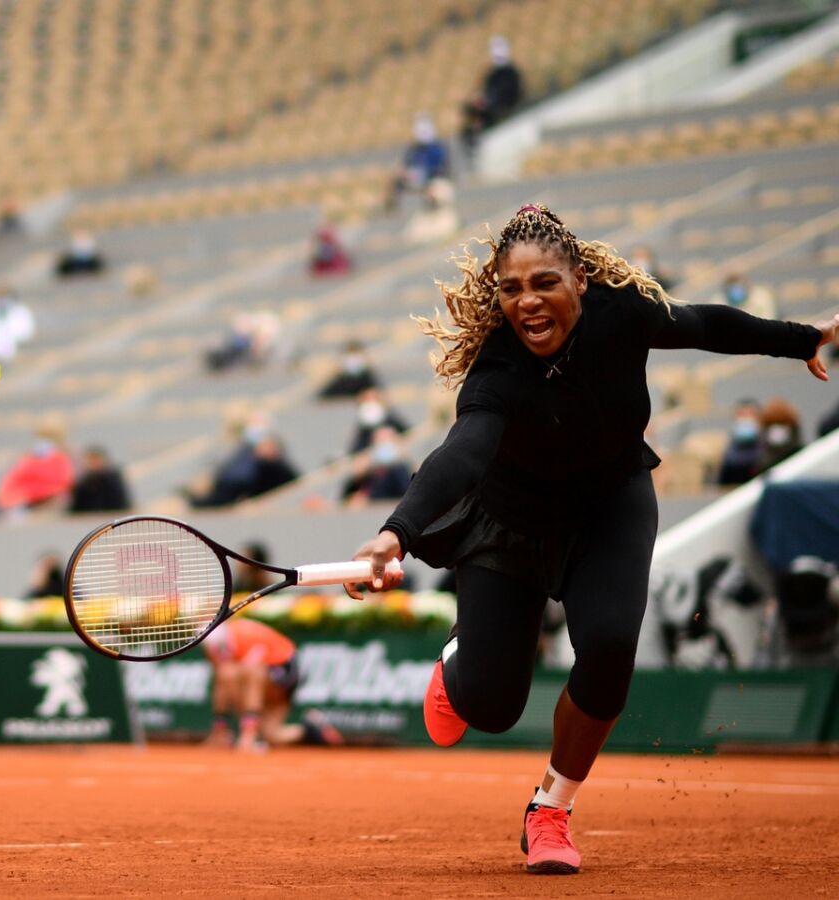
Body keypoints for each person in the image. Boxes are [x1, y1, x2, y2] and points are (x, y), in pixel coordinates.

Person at [344, 204, 838, 876]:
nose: (528, 302)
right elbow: (460, 454)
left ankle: (551, 807)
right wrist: (393, 533)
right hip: (510, 524)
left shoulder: (624, 311)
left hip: (610, 506)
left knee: (608, 647)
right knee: (489, 708)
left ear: (580, 278)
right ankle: (460, 658)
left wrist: (801, 337)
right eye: (512, 289)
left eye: (545, 282)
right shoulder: (497, 369)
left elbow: (704, 324)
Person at [201, 616, 342, 752]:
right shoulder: (223, 642)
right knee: (271, 735)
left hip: (286, 672)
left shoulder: (244, 634)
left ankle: (247, 735)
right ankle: (313, 730)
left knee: (236, 673)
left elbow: (253, 673)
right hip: (270, 679)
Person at [460, 36, 524, 156]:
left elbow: (512, 93)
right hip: (490, 106)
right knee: (470, 110)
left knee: (482, 110)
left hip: (504, 105)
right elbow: (485, 89)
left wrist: (489, 101)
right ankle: (473, 141)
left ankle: (479, 134)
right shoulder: (492, 73)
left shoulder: (511, 72)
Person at [0, 428, 76, 515]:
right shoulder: (28, 459)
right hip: (20, 500)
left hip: (45, 499)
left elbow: (64, 481)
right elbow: (13, 480)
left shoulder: (60, 459)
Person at [386, 113, 451, 212]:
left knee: (436, 188)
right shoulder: (413, 149)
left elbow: (440, 169)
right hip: (417, 180)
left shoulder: (437, 148)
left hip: (433, 180)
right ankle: (393, 210)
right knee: (396, 181)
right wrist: (404, 172)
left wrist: (425, 175)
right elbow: (406, 164)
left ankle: (433, 208)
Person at [341, 427, 412, 506]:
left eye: (387, 441)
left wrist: (367, 500)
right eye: (380, 441)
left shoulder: (399, 471)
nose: (383, 445)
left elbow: (403, 495)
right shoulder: (369, 472)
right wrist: (357, 478)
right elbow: (345, 496)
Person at [69, 446, 131, 513]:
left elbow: (122, 504)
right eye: (91, 460)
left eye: (96, 460)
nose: (94, 464)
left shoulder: (114, 481)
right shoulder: (83, 484)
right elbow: (76, 508)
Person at [348, 387, 410, 454]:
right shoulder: (363, 429)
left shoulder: (391, 420)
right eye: (367, 400)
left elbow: (409, 434)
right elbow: (355, 451)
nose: (370, 403)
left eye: (373, 399)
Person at [717, 398, 763, 486]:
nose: (746, 419)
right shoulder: (727, 454)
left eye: (750, 414)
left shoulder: (769, 450)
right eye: (741, 415)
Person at [756, 397, 804, 473]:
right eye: (772, 423)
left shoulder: (802, 456)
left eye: (782, 423)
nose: (777, 428)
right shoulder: (759, 458)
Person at [713, 271, 777, 320]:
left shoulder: (761, 298)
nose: (736, 294)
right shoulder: (718, 303)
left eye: (739, 289)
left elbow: (769, 318)